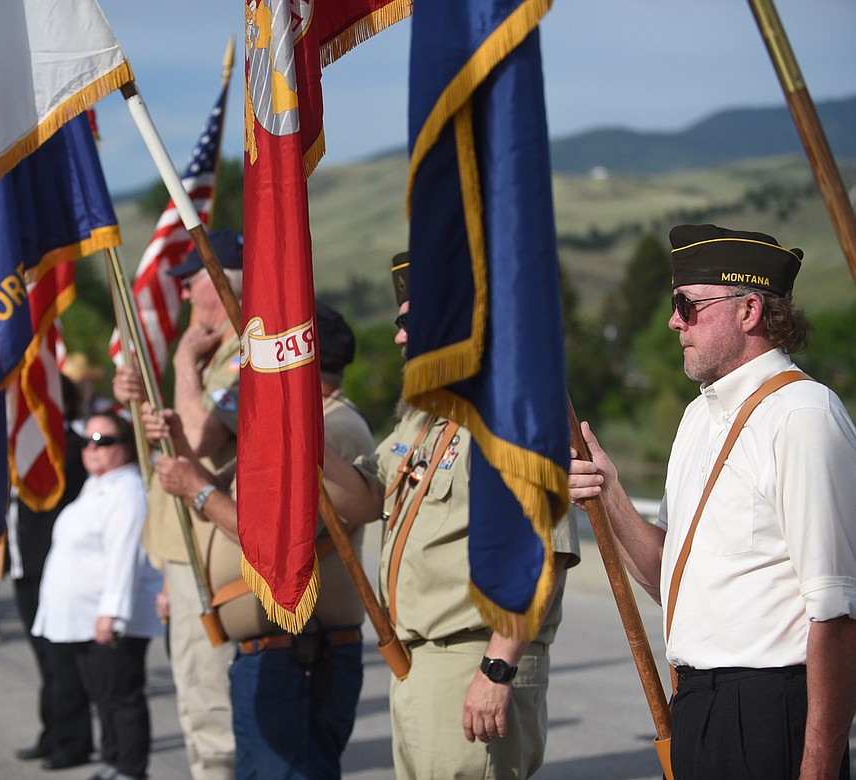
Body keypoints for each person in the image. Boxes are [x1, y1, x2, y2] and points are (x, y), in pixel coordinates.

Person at [569, 224, 856, 780]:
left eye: (687, 305)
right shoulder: (698, 415)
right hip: (698, 707)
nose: (675, 321)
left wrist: (817, 770)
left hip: (771, 712)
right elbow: (670, 580)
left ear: (749, 310)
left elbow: (838, 615)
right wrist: (610, 498)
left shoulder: (803, 417)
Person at [326, 252, 581, 779]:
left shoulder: (512, 408)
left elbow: (541, 553)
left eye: (407, 322)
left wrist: (497, 667)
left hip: (475, 656)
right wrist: (305, 442)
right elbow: (368, 498)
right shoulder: (424, 413)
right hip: (419, 663)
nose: (399, 337)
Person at [144, 301, 378, 779]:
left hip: (299, 649)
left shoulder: (332, 428)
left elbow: (276, 541)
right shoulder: (301, 421)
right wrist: (181, 445)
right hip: (277, 648)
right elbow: (229, 486)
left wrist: (198, 490)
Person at [112, 227, 244, 779]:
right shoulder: (224, 348)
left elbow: (199, 437)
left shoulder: (243, 350)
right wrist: (139, 401)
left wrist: (185, 360)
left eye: (191, 282)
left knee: (207, 692)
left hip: (218, 545)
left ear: (221, 282)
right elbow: (174, 449)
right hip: (192, 547)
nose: (185, 295)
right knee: (195, 686)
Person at [32, 412, 164, 779]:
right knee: (103, 697)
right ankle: (112, 760)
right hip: (81, 616)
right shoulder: (96, 485)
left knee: (122, 696)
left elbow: (125, 557)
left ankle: (131, 769)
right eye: (87, 440)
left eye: (103, 441)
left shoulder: (127, 491)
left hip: (105, 616)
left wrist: (112, 614)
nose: (92, 448)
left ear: (126, 447)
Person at [8, 374, 95, 763]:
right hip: (23, 565)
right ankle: (52, 732)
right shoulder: (19, 448)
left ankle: (73, 742)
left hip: (53, 567)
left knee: (62, 659)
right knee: (45, 660)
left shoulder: (70, 450)